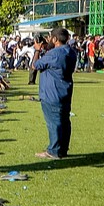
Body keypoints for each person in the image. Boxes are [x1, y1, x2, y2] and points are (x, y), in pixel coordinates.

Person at [33, 27, 79, 160]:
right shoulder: (71, 52)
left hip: (51, 93)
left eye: (50, 37)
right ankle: (62, 149)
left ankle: (53, 150)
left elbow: (35, 65)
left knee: (54, 122)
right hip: (65, 91)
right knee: (64, 121)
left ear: (55, 39)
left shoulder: (53, 54)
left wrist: (37, 50)